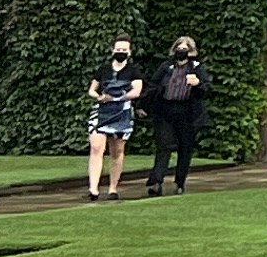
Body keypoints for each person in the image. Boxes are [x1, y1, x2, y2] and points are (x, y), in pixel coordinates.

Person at [145, 35, 207, 195]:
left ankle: (180, 182)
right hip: (166, 110)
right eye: (179, 48)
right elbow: (153, 85)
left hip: (187, 112)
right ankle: (156, 181)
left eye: (185, 48)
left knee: (185, 148)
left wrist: (198, 84)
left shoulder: (197, 68)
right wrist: (146, 105)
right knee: (164, 145)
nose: (181, 51)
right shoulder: (166, 67)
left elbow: (207, 89)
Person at [85, 38, 141, 201]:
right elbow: (92, 90)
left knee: (117, 151)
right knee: (96, 147)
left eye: (124, 50)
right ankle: (93, 188)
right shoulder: (103, 69)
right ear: (112, 50)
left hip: (122, 113)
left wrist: (119, 98)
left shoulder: (133, 71)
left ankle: (113, 188)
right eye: (118, 49)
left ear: (129, 52)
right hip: (102, 112)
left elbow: (137, 90)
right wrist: (100, 97)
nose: (121, 53)